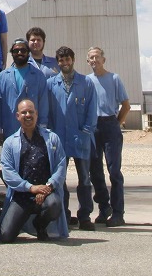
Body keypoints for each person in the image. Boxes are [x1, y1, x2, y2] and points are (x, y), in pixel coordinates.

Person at [0, 99, 67, 242]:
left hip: (46, 193)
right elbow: (8, 173)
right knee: (5, 236)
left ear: (37, 114)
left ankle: (40, 225)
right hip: (22, 195)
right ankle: (20, 220)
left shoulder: (52, 138)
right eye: (24, 112)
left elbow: (61, 165)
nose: (28, 115)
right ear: (17, 116)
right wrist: (31, 188)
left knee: (55, 204)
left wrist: (47, 187)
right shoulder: (10, 143)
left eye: (31, 112)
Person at [47, 45, 98, 229]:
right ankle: (64, 215)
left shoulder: (86, 83)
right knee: (60, 179)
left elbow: (92, 109)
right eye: (61, 60)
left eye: (67, 59)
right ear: (58, 62)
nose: (64, 63)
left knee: (84, 178)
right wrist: (50, 133)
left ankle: (85, 216)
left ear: (73, 60)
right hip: (59, 139)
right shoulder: (51, 84)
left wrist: (87, 130)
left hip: (81, 138)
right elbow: (47, 111)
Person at [87, 45, 131, 227]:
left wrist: (115, 124)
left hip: (110, 125)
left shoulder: (114, 79)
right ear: (87, 61)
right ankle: (104, 207)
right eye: (91, 58)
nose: (95, 60)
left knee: (114, 171)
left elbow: (126, 105)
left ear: (103, 60)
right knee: (95, 172)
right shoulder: (87, 81)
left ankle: (118, 213)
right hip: (93, 127)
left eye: (97, 57)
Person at [0, 38, 49, 140]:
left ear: (28, 53)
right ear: (11, 53)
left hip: (33, 130)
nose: (20, 53)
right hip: (10, 129)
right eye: (16, 51)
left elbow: (43, 103)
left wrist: (42, 127)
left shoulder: (38, 75)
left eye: (23, 50)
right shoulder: (3, 76)